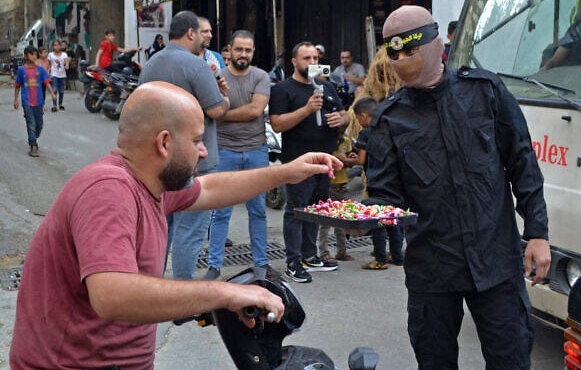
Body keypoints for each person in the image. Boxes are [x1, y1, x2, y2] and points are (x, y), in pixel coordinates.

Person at [9, 81, 343, 369]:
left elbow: (211, 188)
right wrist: (225, 294)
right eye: (197, 139)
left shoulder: (149, 183)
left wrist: (285, 172)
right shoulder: (108, 190)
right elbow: (113, 294)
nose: (202, 151)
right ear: (164, 143)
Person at [365, 5, 551, 369]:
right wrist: (370, 214)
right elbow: (386, 194)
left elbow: (523, 162)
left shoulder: (485, 92)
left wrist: (538, 233)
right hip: (432, 269)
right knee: (434, 363)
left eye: (409, 50)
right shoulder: (389, 119)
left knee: (510, 359)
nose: (401, 60)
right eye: (393, 52)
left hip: (495, 260)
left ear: (435, 43)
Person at [139, 10, 230, 280]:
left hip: (160, 159)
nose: (206, 38)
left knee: (161, 227)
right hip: (196, 161)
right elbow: (215, 111)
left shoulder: (151, 64)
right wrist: (224, 98)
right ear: (191, 33)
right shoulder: (196, 65)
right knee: (190, 230)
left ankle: (153, 286)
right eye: (202, 33)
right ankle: (182, 293)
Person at [269, 41, 351, 283]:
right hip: (297, 161)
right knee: (296, 211)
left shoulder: (327, 87)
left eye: (315, 58)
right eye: (306, 59)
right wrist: (306, 110)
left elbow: (345, 113)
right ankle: (293, 262)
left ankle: (310, 255)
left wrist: (342, 119)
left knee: (316, 209)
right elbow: (277, 124)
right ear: (294, 62)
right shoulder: (283, 90)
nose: (312, 63)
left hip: (325, 158)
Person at [206, 30, 272, 280]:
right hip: (223, 150)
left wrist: (223, 113)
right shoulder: (216, 77)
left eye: (248, 50)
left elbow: (255, 111)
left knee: (258, 210)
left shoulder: (261, 76)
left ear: (253, 52)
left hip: (256, 150)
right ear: (229, 50)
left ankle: (261, 265)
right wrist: (220, 110)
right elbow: (209, 109)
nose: (243, 54)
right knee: (220, 211)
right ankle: (214, 265)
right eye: (239, 49)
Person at [351, 97, 404, 270]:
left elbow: (361, 160)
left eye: (358, 118)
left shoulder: (366, 133)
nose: (359, 122)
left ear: (364, 116)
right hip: (394, 182)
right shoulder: (391, 128)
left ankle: (380, 259)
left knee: (378, 221)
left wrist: (345, 160)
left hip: (377, 181)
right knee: (392, 219)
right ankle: (397, 255)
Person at [317, 134, 357, 263]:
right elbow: (321, 162)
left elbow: (350, 162)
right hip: (330, 186)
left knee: (341, 221)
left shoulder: (346, 141)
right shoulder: (327, 142)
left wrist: (350, 159)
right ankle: (324, 253)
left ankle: (342, 252)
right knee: (325, 222)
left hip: (342, 186)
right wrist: (334, 159)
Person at [13, 46, 57, 158]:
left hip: (39, 101)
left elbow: (47, 82)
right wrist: (15, 99)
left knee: (39, 124)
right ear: (26, 55)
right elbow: (17, 85)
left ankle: (33, 138)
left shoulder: (40, 70)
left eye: (35, 54)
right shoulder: (21, 70)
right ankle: (33, 145)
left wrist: (52, 93)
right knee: (31, 123)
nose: (34, 56)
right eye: (31, 54)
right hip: (26, 101)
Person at [47, 40, 69, 112]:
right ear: (53, 47)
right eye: (55, 45)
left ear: (61, 46)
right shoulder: (50, 55)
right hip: (54, 74)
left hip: (62, 74)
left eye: (58, 45)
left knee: (62, 90)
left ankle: (60, 104)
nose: (57, 47)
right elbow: (49, 64)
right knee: (55, 89)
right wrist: (48, 71)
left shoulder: (64, 54)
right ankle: (54, 106)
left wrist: (67, 65)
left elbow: (66, 62)